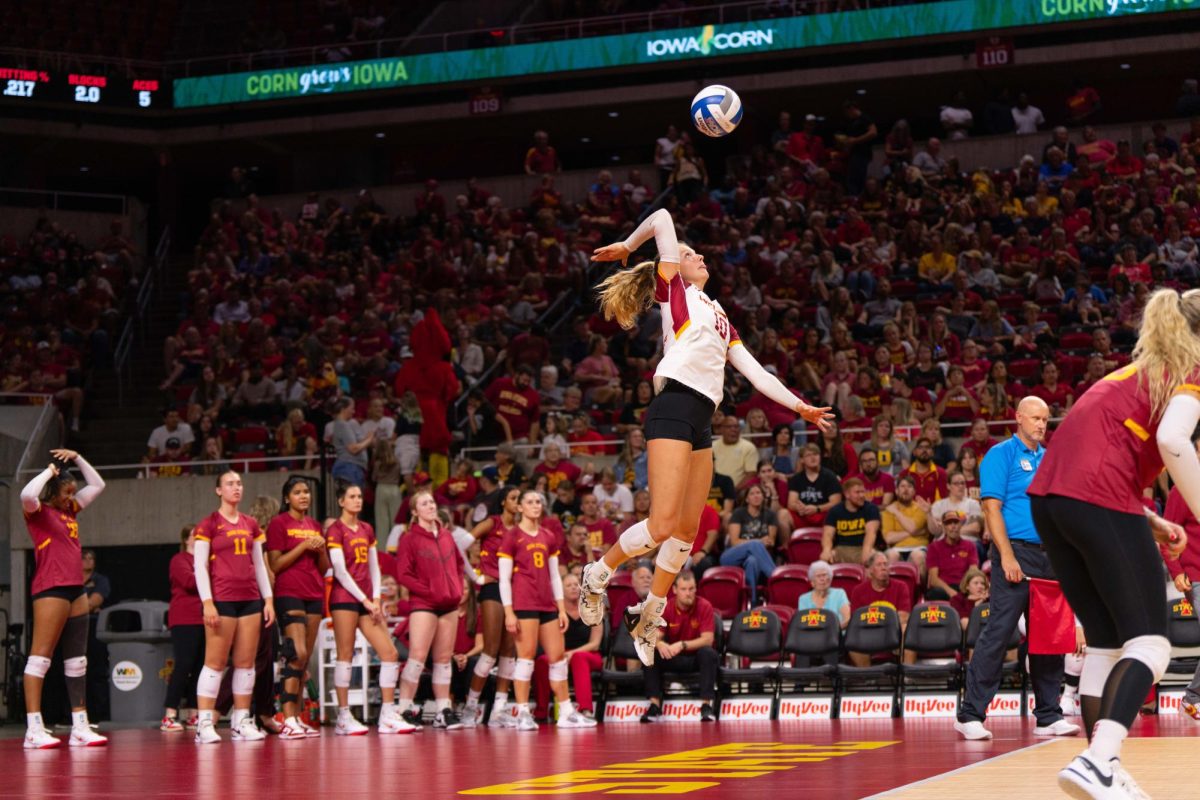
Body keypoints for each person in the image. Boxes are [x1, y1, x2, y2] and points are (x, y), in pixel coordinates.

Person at [579, 208, 833, 668]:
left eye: (696, 254)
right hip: (673, 405)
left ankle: (649, 612)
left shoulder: (720, 316)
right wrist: (629, 247)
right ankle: (598, 572)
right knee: (660, 525)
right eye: (688, 253)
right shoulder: (673, 289)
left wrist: (799, 406)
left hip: (701, 419)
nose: (695, 256)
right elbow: (660, 217)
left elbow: (755, 370)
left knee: (686, 533)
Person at [1027, 289, 1200, 797]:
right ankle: (1099, 760)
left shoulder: (1130, 375)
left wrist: (1150, 520)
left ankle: (1098, 761)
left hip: (1053, 502)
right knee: (1151, 641)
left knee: (1104, 642)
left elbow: (1092, 458)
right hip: (1095, 498)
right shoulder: (1187, 375)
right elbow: (1172, 442)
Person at [956, 397, 1078, 743]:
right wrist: (1006, 557)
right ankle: (970, 714)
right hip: (1017, 553)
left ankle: (1048, 715)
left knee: (1049, 637)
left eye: (1046, 419)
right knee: (999, 632)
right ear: (1019, 418)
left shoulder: (1049, 456)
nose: (1042, 424)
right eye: (1036, 418)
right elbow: (991, 509)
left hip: (1050, 555)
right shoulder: (1000, 454)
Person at [20, 448, 108, 749]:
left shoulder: (70, 510)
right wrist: (48, 472)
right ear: (54, 491)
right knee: (40, 658)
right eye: (67, 492)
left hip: (75, 589)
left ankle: (79, 726)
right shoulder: (38, 512)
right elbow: (26, 493)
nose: (72, 497)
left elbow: (98, 485)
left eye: (73, 493)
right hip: (50, 588)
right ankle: (34, 728)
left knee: (77, 661)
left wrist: (79, 458)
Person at [191, 470, 275, 744]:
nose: (236, 487)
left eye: (239, 483)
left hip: (250, 599)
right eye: (230, 484)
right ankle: (204, 723)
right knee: (214, 663)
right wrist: (207, 603)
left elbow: (260, 565)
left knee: (246, 663)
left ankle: (241, 720)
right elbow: (200, 566)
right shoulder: (209, 524)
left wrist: (269, 599)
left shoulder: (251, 524)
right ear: (218, 490)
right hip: (222, 600)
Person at [500, 490, 596, 729]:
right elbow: (503, 580)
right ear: (520, 508)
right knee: (526, 658)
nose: (535, 505)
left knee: (557, 658)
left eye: (538, 502)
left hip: (547, 604)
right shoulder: (512, 536)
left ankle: (566, 711)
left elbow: (555, 576)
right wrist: (509, 612)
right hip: (523, 603)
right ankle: (523, 713)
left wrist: (561, 608)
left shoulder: (548, 536)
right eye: (530, 501)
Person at [326, 482, 406, 734]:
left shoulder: (367, 528)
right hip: (344, 598)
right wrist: (365, 600)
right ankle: (343, 716)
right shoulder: (335, 530)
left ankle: (387, 714)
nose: (358, 500)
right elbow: (340, 570)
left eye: (360, 496)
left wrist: (376, 598)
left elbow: (374, 567)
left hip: (367, 599)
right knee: (345, 655)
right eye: (352, 496)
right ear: (341, 501)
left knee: (390, 653)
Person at [395, 491, 468, 731]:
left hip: (448, 604)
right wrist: (428, 591)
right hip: (424, 604)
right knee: (416, 657)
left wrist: (457, 588)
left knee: (444, 660)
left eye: (432, 502)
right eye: (424, 503)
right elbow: (403, 574)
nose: (430, 506)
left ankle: (443, 710)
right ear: (415, 511)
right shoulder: (409, 538)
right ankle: (404, 709)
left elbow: (459, 563)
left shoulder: (446, 535)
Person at [266, 477, 328, 739]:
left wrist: (321, 549)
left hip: (314, 592)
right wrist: (304, 545)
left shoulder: (314, 525)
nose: (304, 496)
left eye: (306, 492)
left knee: (304, 660)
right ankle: (287, 716)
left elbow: (324, 569)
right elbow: (276, 565)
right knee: (296, 653)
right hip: (289, 591)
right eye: (297, 492)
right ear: (286, 498)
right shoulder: (279, 524)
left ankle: (298, 717)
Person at [464, 486, 521, 728]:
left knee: (509, 652)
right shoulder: (492, 523)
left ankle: (499, 710)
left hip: (515, 589)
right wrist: (476, 577)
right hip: (492, 587)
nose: (518, 502)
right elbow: (460, 546)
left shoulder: (520, 530)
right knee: (491, 649)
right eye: (514, 498)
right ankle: (470, 708)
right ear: (503, 502)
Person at [639, 570, 718, 723]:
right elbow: (653, 637)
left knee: (708, 653)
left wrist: (682, 645)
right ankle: (654, 705)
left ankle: (706, 706)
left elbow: (708, 639)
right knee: (650, 653)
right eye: (684, 589)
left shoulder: (704, 606)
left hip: (696, 658)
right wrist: (660, 644)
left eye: (691, 589)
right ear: (675, 590)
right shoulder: (667, 607)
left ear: (696, 589)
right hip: (674, 657)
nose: (688, 593)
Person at [1162, 427, 1200, 720]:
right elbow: (1167, 536)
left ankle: (1192, 697)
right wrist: (1176, 570)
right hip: (1195, 576)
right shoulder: (1180, 491)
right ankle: (1192, 698)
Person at [531, 572, 603, 721]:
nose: (574, 588)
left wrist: (572, 653)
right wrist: (561, 654)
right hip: (561, 653)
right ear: (561, 590)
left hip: (590, 655)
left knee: (578, 657)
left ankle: (585, 710)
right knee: (542, 661)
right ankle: (541, 711)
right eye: (569, 585)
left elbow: (595, 643)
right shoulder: (555, 612)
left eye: (576, 585)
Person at [162, 527, 204, 732]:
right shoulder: (180, 560)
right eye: (196, 534)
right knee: (184, 664)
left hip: (204, 618)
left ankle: (192, 712)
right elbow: (188, 582)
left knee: (199, 666)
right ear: (187, 539)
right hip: (184, 618)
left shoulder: (207, 560)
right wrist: (207, 575)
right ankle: (170, 714)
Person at [847, 552, 912, 666]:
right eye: (879, 565)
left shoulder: (901, 586)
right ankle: (868, 677)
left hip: (893, 632)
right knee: (852, 636)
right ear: (871, 570)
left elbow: (904, 616)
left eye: (885, 564)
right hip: (868, 633)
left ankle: (906, 675)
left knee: (906, 627)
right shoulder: (858, 590)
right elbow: (856, 621)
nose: (883, 568)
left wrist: (884, 628)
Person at [721, 485, 779, 605]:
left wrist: (762, 542)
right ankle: (776, 579)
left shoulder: (770, 515)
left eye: (758, 493)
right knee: (754, 544)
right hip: (732, 557)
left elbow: (771, 541)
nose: (756, 496)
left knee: (752, 561)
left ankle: (753, 601)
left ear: (763, 496)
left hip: (755, 558)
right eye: (752, 494)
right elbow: (735, 542)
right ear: (747, 499)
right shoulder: (738, 513)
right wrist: (758, 541)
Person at [781, 444, 844, 533]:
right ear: (802, 460)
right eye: (808, 455)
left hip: (823, 515)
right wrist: (799, 508)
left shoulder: (830, 476)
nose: (813, 457)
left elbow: (836, 502)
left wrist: (817, 508)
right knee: (782, 514)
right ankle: (787, 546)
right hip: (803, 515)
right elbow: (791, 503)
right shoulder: (796, 479)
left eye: (815, 454)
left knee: (837, 513)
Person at [80, 548, 110, 722]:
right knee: (75, 669)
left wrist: (77, 606)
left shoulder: (100, 580)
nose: (89, 561)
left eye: (92, 558)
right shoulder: (73, 580)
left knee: (97, 671)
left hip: (94, 626)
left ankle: (99, 714)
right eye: (85, 558)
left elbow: (94, 603)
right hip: (75, 627)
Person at [820, 478, 880, 565]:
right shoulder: (834, 511)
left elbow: (871, 533)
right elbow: (827, 534)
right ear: (847, 494)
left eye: (863, 491)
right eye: (857, 492)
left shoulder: (871, 509)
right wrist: (826, 550)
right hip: (841, 549)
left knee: (872, 556)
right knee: (825, 558)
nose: (862, 495)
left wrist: (866, 551)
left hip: (862, 547)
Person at [881, 475, 931, 577]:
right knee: (891, 555)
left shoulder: (921, 507)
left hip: (918, 547)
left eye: (909, 486)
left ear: (914, 491)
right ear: (896, 491)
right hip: (896, 548)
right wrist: (917, 532)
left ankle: (920, 591)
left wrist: (896, 512)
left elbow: (912, 527)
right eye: (902, 486)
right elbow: (889, 538)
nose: (906, 489)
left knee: (918, 556)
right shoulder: (888, 510)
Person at [925, 511, 980, 601]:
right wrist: (951, 592)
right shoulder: (934, 547)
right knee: (935, 593)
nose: (953, 526)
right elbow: (934, 579)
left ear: (960, 525)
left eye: (956, 522)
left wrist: (965, 589)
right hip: (943, 588)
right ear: (943, 527)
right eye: (949, 523)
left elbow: (973, 571)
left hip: (963, 587)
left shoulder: (970, 546)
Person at [329, 397, 374, 487]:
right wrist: (369, 439)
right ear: (343, 409)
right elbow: (353, 449)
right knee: (351, 499)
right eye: (352, 409)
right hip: (348, 467)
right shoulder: (342, 424)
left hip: (351, 467)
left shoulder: (340, 424)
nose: (353, 412)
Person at [797, 560, 850, 628]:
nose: (822, 579)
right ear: (812, 582)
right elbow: (803, 624)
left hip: (836, 636)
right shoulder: (803, 599)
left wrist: (833, 631)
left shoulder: (839, 594)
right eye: (818, 576)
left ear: (830, 579)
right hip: (812, 636)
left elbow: (847, 619)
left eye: (824, 575)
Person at [713, 416, 759, 488]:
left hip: (739, 493)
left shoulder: (749, 447)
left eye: (736, 426)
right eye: (729, 427)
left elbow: (751, 474)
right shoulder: (712, 446)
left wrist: (732, 493)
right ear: (721, 429)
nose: (733, 429)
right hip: (713, 493)